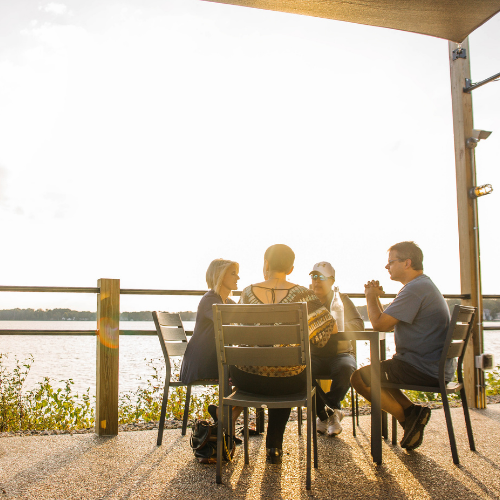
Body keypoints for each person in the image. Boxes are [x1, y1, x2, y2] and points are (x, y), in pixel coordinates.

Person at [233, 244, 337, 463]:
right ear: (290, 269)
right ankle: (274, 445)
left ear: (266, 264)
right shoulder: (304, 295)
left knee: (279, 368)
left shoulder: (247, 292)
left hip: (247, 379)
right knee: (290, 370)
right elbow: (326, 330)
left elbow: (241, 334)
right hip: (287, 383)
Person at [350, 241, 451, 450]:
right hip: (432, 366)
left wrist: (369, 296)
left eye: (390, 262)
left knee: (359, 379)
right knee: (378, 375)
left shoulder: (415, 289)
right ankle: (412, 415)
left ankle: (408, 417)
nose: (387, 267)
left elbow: (378, 324)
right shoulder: (421, 286)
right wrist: (376, 299)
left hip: (421, 368)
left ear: (407, 263)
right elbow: (385, 322)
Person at [180, 258, 242, 433]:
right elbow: (229, 324)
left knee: (251, 375)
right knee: (249, 375)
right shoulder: (211, 301)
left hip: (215, 359)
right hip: (202, 363)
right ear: (220, 276)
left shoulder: (227, 302)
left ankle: (226, 419)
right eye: (233, 273)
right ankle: (227, 424)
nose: (238, 277)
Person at [309, 262, 364, 437]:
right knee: (299, 369)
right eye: (314, 277)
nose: (317, 281)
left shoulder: (341, 300)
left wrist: (336, 325)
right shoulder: (308, 301)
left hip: (341, 354)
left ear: (332, 280)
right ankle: (332, 414)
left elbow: (358, 324)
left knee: (346, 369)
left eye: (321, 278)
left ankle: (324, 414)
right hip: (315, 355)